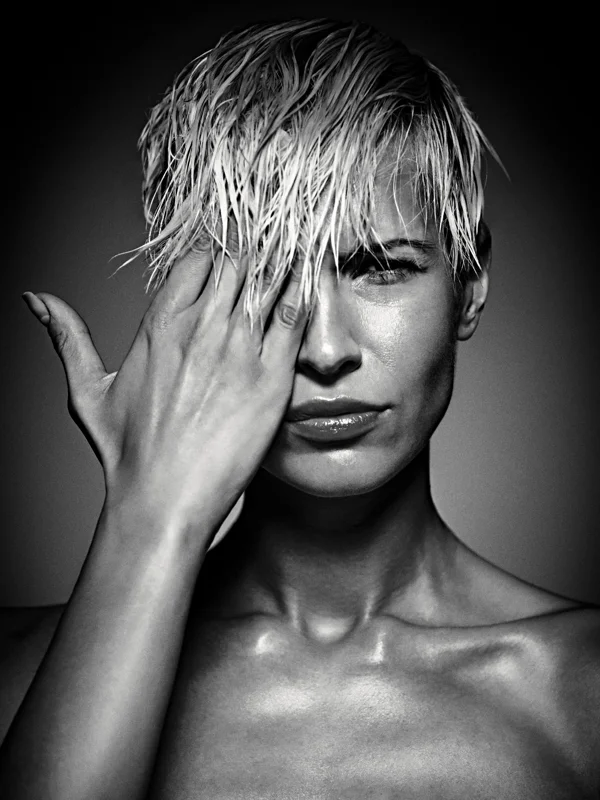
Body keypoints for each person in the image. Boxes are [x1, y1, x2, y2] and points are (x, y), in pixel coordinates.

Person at [1, 17, 598, 800]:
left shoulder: (581, 692)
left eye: (380, 268)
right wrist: (147, 518)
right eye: (270, 277)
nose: (323, 349)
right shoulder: (20, 680)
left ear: (470, 285)